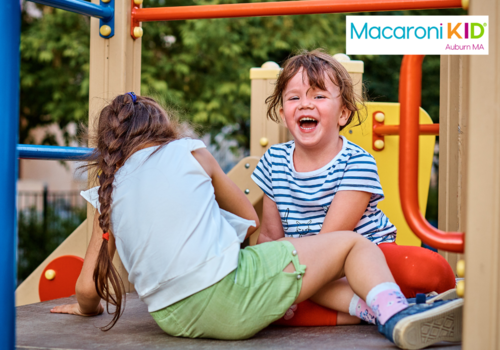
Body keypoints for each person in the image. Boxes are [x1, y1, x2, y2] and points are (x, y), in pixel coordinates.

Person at [50, 92, 462, 349]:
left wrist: (87, 309)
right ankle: (396, 316)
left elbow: (87, 289)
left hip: (173, 320)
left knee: (303, 278)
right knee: (355, 245)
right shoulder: (190, 151)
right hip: (229, 297)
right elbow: (247, 218)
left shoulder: (109, 188)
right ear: (164, 127)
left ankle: (374, 311)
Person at [251, 49, 456, 326]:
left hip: (367, 259)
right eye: (294, 97)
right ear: (282, 112)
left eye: (318, 95)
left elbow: (331, 242)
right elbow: (270, 239)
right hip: (309, 269)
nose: (304, 104)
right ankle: (374, 309)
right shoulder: (274, 161)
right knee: (260, 295)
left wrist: (290, 283)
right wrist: (273, 274)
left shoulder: (356, 162)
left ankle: (354, 301)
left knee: (428, 270)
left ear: (343, 114)